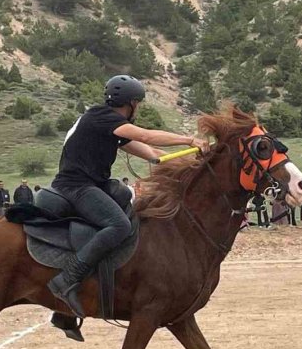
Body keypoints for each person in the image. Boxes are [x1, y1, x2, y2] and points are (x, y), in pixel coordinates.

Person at [46, 75, 208, 318]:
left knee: (126, 202)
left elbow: (152, 153)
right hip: (75, 185)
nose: (139, 108)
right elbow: (146, 137)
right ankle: (67, 279)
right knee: (118, 225)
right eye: (138, 103)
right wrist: (189, 139)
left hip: (94, 184)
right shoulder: (102, 117)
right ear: (130, 103)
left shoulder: (112, 127)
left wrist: (196, 159)